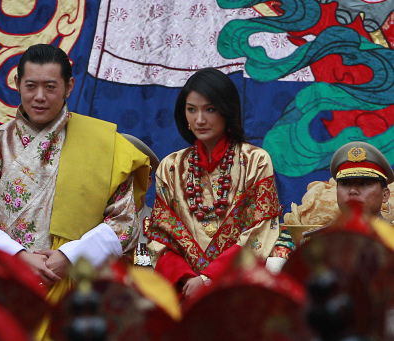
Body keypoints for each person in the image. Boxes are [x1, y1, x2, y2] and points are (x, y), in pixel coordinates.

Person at [0, 44, 150, 311]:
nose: (40, 96)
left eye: (50, 87)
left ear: (69, 86)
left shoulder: (102, 145)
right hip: (11, 286)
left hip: (80, 292)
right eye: (31, 86)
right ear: (17, 84)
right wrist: (20, 256)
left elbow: (126, 223)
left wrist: (70, 256)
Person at [145, 68, 280, 301]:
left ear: (227, 111)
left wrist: (208, 279)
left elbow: (261, 231)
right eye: (191, 110)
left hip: (238, 289)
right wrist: (188, 280)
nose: (199, 120)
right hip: (185, 292)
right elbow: (160, 237)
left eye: (210, 109)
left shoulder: (255, 161)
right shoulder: (170, 167)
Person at [302, 141, 394, 240]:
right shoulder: (317, 241)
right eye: (345, 184)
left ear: (385, 195)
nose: (353, 191)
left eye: (363, 183)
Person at [120, 133, 160, 267]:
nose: (120, 185)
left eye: (128, 178)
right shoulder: (90, 226)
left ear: (147, 183)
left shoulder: (162, 228)